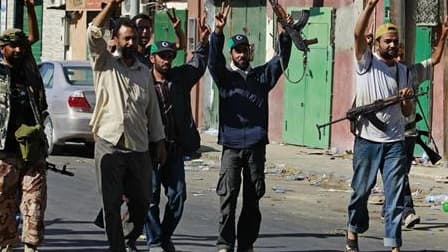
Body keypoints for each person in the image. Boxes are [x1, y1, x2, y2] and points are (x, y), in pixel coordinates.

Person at [208, 2, 292, 252]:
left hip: (256, 146)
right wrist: (217, 34)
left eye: (245, 50)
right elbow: (213, 62)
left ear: (250, 52)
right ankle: (225, 243)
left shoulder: (261, 77)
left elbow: (281, 59)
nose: (241, 55)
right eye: (237, 51)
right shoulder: (225, 78)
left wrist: (285, 31)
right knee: (227, 198)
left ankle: (246, 243)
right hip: (231, 146)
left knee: (253, 199)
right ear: (231, 54)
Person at [87, 0, 166, 251]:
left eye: (133, 38)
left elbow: (152, 111)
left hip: (138, 147)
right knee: (110, 204)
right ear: (117, 40)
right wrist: (111, 5)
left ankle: (128, 237)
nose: (132, 43)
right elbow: (91, 32)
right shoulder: (105, 63)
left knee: (143, 201)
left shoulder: (144, 71)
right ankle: (117, 247)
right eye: (126, 39)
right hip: (109, 144)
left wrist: (159, 141)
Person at [137, 15, 210, 252]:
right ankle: (155, 241)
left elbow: (198, 63)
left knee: (178, 196)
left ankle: (163, 237)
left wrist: (206, 41)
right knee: (150, 198)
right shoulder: (142, 82)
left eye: (170, 56)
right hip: (149, 150)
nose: (167, 61)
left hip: (175, 149)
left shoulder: (180, 78)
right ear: (152, 59)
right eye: (163, 56)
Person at [347, 0, 415, 251]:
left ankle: (393, 244)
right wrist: (371, 6)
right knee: (361, 191)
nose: (393, 44)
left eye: (395, 41)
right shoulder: (366, 63)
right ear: (376, 44)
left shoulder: (403, 71)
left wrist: (406, 100)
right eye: (387, 40)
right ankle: (353, 230)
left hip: (395, 141)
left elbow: (407, 112)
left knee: (395, 197)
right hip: (367, 140)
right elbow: (356, 33)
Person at [379, 17, 448, 229]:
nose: (398, 57)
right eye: (395, 53)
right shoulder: (379, 72)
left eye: (401, 54)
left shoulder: (412, 72)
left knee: (400, 172)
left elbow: (434, 60)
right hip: (385, 133)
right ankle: (406, 210)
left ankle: (392, 209)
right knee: (397, 172)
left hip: (407, 133)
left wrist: (444, 34)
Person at [0, 1, 49, 252]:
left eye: (21, 45)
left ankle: (31, 246)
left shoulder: (28, 68)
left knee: (34, 203)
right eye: (13, 46)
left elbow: (34, 37)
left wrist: (31, 9)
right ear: (2, 48)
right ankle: (7, 246)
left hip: (32, 151)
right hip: (5, 152)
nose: (18, 49)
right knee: (4, 204)